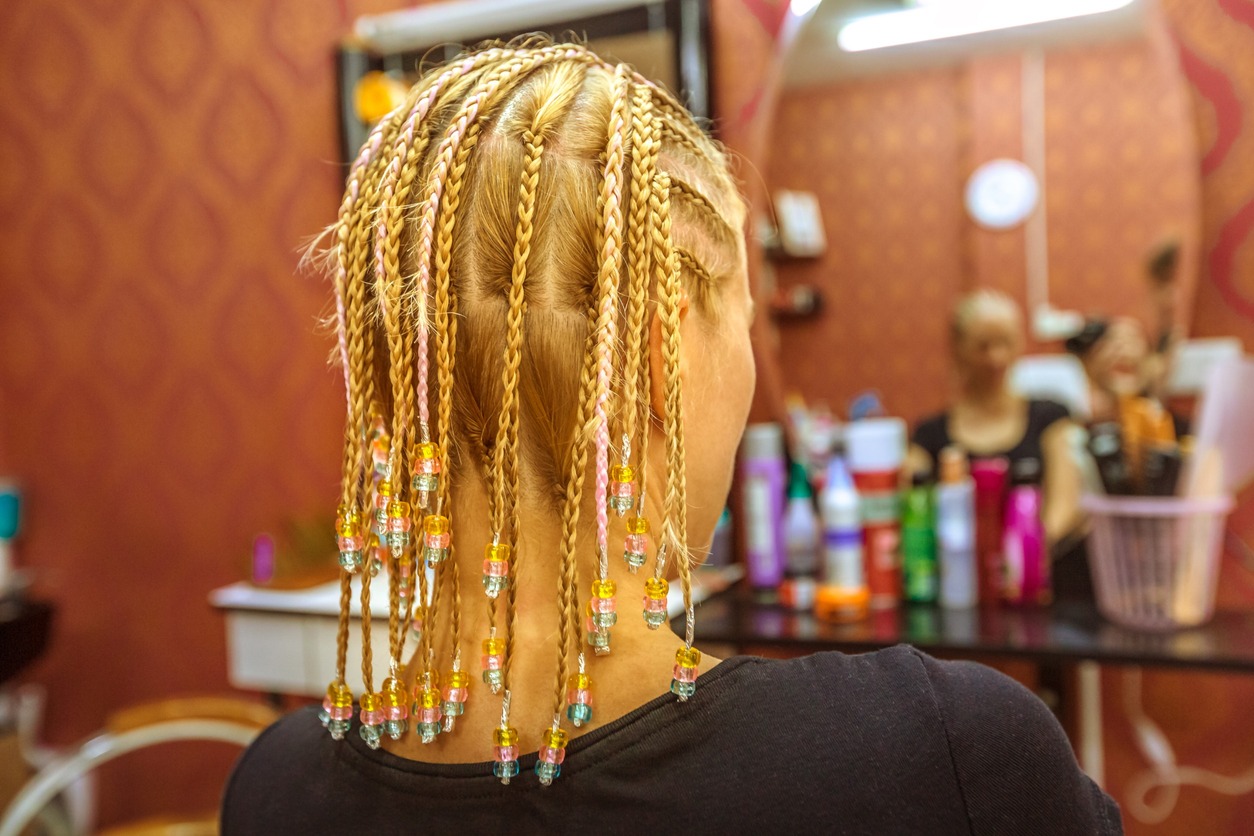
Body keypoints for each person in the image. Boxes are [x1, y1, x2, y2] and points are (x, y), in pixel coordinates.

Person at [221, 42, 1120, 834]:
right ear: (663, 353)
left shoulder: (269, 793)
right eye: (743, 321)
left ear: (390, 372)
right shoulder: (947, 755)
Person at [911, 290, 1083, 546]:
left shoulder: (1053, 417)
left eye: (1005, 343)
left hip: (1041, 572)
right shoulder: (928, 435)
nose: (996, 357)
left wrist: (1027, 555)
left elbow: (1066, 504)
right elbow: (912, 507)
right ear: (958, 348)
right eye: (983, 346)